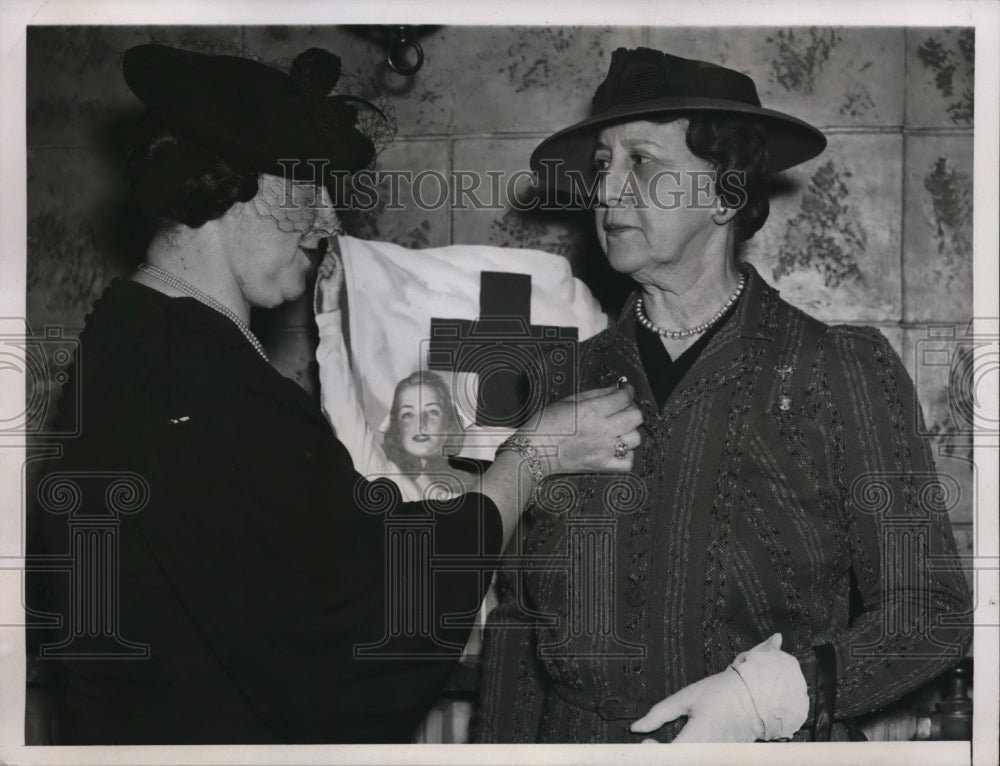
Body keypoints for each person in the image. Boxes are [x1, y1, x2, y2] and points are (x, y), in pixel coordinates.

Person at [25, 43, 644, 745]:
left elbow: (308, 552)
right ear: (227, 186)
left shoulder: (137, 341)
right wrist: (528, 458)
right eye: (303, 192)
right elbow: (363, 618)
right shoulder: (191, 376)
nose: (327, 223)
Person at [474, 47, 973, 744]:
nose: (607, 190)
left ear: (727, 194)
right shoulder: (558, 381)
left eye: (642, 163)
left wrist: (771, 696)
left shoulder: (837, 370)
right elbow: (519, 627)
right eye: (601, 166)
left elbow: (930, 612)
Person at [314, 246, 476, 503]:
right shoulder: (381, 475)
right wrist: (331, 306)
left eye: (432, 412)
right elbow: (342, 407)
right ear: (395, 427)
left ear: (449, 425)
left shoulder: (479, 490)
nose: (420, 424)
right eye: (407, 414)